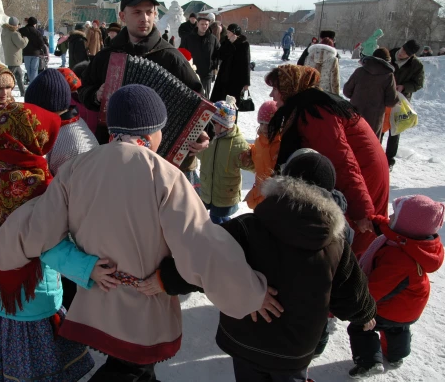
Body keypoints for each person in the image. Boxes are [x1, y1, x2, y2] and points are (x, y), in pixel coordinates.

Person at [0, 84, 272, 381]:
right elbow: (201, 243)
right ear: (150, 134)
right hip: (142, 310)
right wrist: (249, 294)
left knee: (127, 368)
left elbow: (38, 225)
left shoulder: (77, 168)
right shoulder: (165, 176)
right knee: (131, 371)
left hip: (99, 305)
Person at [145, 151, 377, 382]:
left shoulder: (247, 227)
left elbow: (205, 261)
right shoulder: (336, 246)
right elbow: (350, 293)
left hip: (243, 340)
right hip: (294, 351)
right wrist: (364, 313)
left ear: (282, 183)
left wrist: (165, 278)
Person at [0, 102, 101, 382]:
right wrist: (87, 268)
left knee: (14, 341)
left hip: (0, 277)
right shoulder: (37, 185)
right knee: (38, 351)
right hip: (33, 286)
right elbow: (47, 243)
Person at [265, 65, 389, 258]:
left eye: (276, 88)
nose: (272, 95)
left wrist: (363, 211)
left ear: (290, 87)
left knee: (351, 248)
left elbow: (343, 162)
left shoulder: (315, 113)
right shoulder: (311, 103)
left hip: (365, 179)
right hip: (362, 176)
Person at [78, 0, 202, 144]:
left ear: (155, 14)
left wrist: (200, 132)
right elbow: (83, 90)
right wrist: (96, 96)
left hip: (158, 151)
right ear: (122, 16)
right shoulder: (107, 56)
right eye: (137, 12)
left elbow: (198, 100)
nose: (145, 18)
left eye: (149, 12)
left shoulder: (172, 57)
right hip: (112, 148)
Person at [348, 195, 444, 377]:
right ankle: (396, 355)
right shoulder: (414, 243)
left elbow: (376, 289)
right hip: (410, 306)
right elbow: (391, 228)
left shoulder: (398, 259)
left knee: (360, 326)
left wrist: (359, 305)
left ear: (406, 226)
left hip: (393, 307)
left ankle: (369, 362)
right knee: (397, 329)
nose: (389, 217)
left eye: (394, 215)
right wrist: (373, 221)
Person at [25, 68, 98, 177]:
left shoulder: (72, 145)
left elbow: (73, 191)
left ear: (45, 108)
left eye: (32, 109)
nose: (30, 114)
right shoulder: (64, 126)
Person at [198, 98, 249, 223]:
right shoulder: (209, 137)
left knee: (218, 218)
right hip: (208, 188)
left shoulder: (238, 143)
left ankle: (227, 234)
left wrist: (253, 158)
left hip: (225, 193)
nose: (209, 126)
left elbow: (250, 164)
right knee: (215, 217)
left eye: (212, 123)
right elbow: (201, 155)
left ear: (223, 125)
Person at [384, 40, 424, 170]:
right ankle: (374, 155)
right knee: (379, 127)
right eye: (402, 50)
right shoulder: (389, 55)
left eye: (406, 53)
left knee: (395, 131)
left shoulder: (416, 65)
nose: (401, 54)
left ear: (411, 55)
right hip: (383, 97)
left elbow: (418, 83)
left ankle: (389, 160)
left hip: (400, 101)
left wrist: (404, 87)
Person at [343, 47, 398, 139]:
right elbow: (390, 101)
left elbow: (347, 92)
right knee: (370, 144)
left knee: (352, 141)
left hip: (354, 114)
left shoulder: (359, 71)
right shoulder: (388, 76)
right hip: (374, 118)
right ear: (388, 61)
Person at [240, 101, 280, 209]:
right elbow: (257, 152)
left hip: (275, 196)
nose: (265, 128)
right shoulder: (259, 142)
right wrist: (249, 152)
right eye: (262, 123)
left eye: (269, 124)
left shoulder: (281, 143)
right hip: (259, 193)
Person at [179, 13, 219, 98]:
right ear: (197, 24)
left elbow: (218, 53)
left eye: (206, 24)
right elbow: (181, 52)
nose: (204, 26)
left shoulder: (213, 39)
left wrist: (214, 65)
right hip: (191, 72)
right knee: (190, 96)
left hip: (207, 73)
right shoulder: (189, 38)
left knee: (205, 97)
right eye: (202, 24)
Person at [210, 23, 250, 104]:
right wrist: (229, 44)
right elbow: (220, 55)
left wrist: (246, 83)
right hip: (224, 76)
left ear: (234, 33)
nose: (227, 34)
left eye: (229, 32)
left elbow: (246, 63)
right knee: (219, 101)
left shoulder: (244, 44)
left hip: (237, 79)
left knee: (232, 103)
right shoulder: (226, 42)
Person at [1, 16, 28, 98]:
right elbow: (22, 44)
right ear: (16, 24)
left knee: (19, 75)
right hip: (14, 58)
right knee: (9, 77)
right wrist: (26, 38)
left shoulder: (5, 32)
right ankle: (4, 91)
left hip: (10, 57)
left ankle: (23, 92)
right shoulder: (14, 34)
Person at [19, 16, 46, 84]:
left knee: (28, 69)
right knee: (34, 69)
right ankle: (33, 84)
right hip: (35, 53)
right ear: (34, 24)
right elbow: (41, 43)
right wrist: (40, 49)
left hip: (26, 53)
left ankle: (31, 82)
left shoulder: (22, 30)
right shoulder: (37, 32)